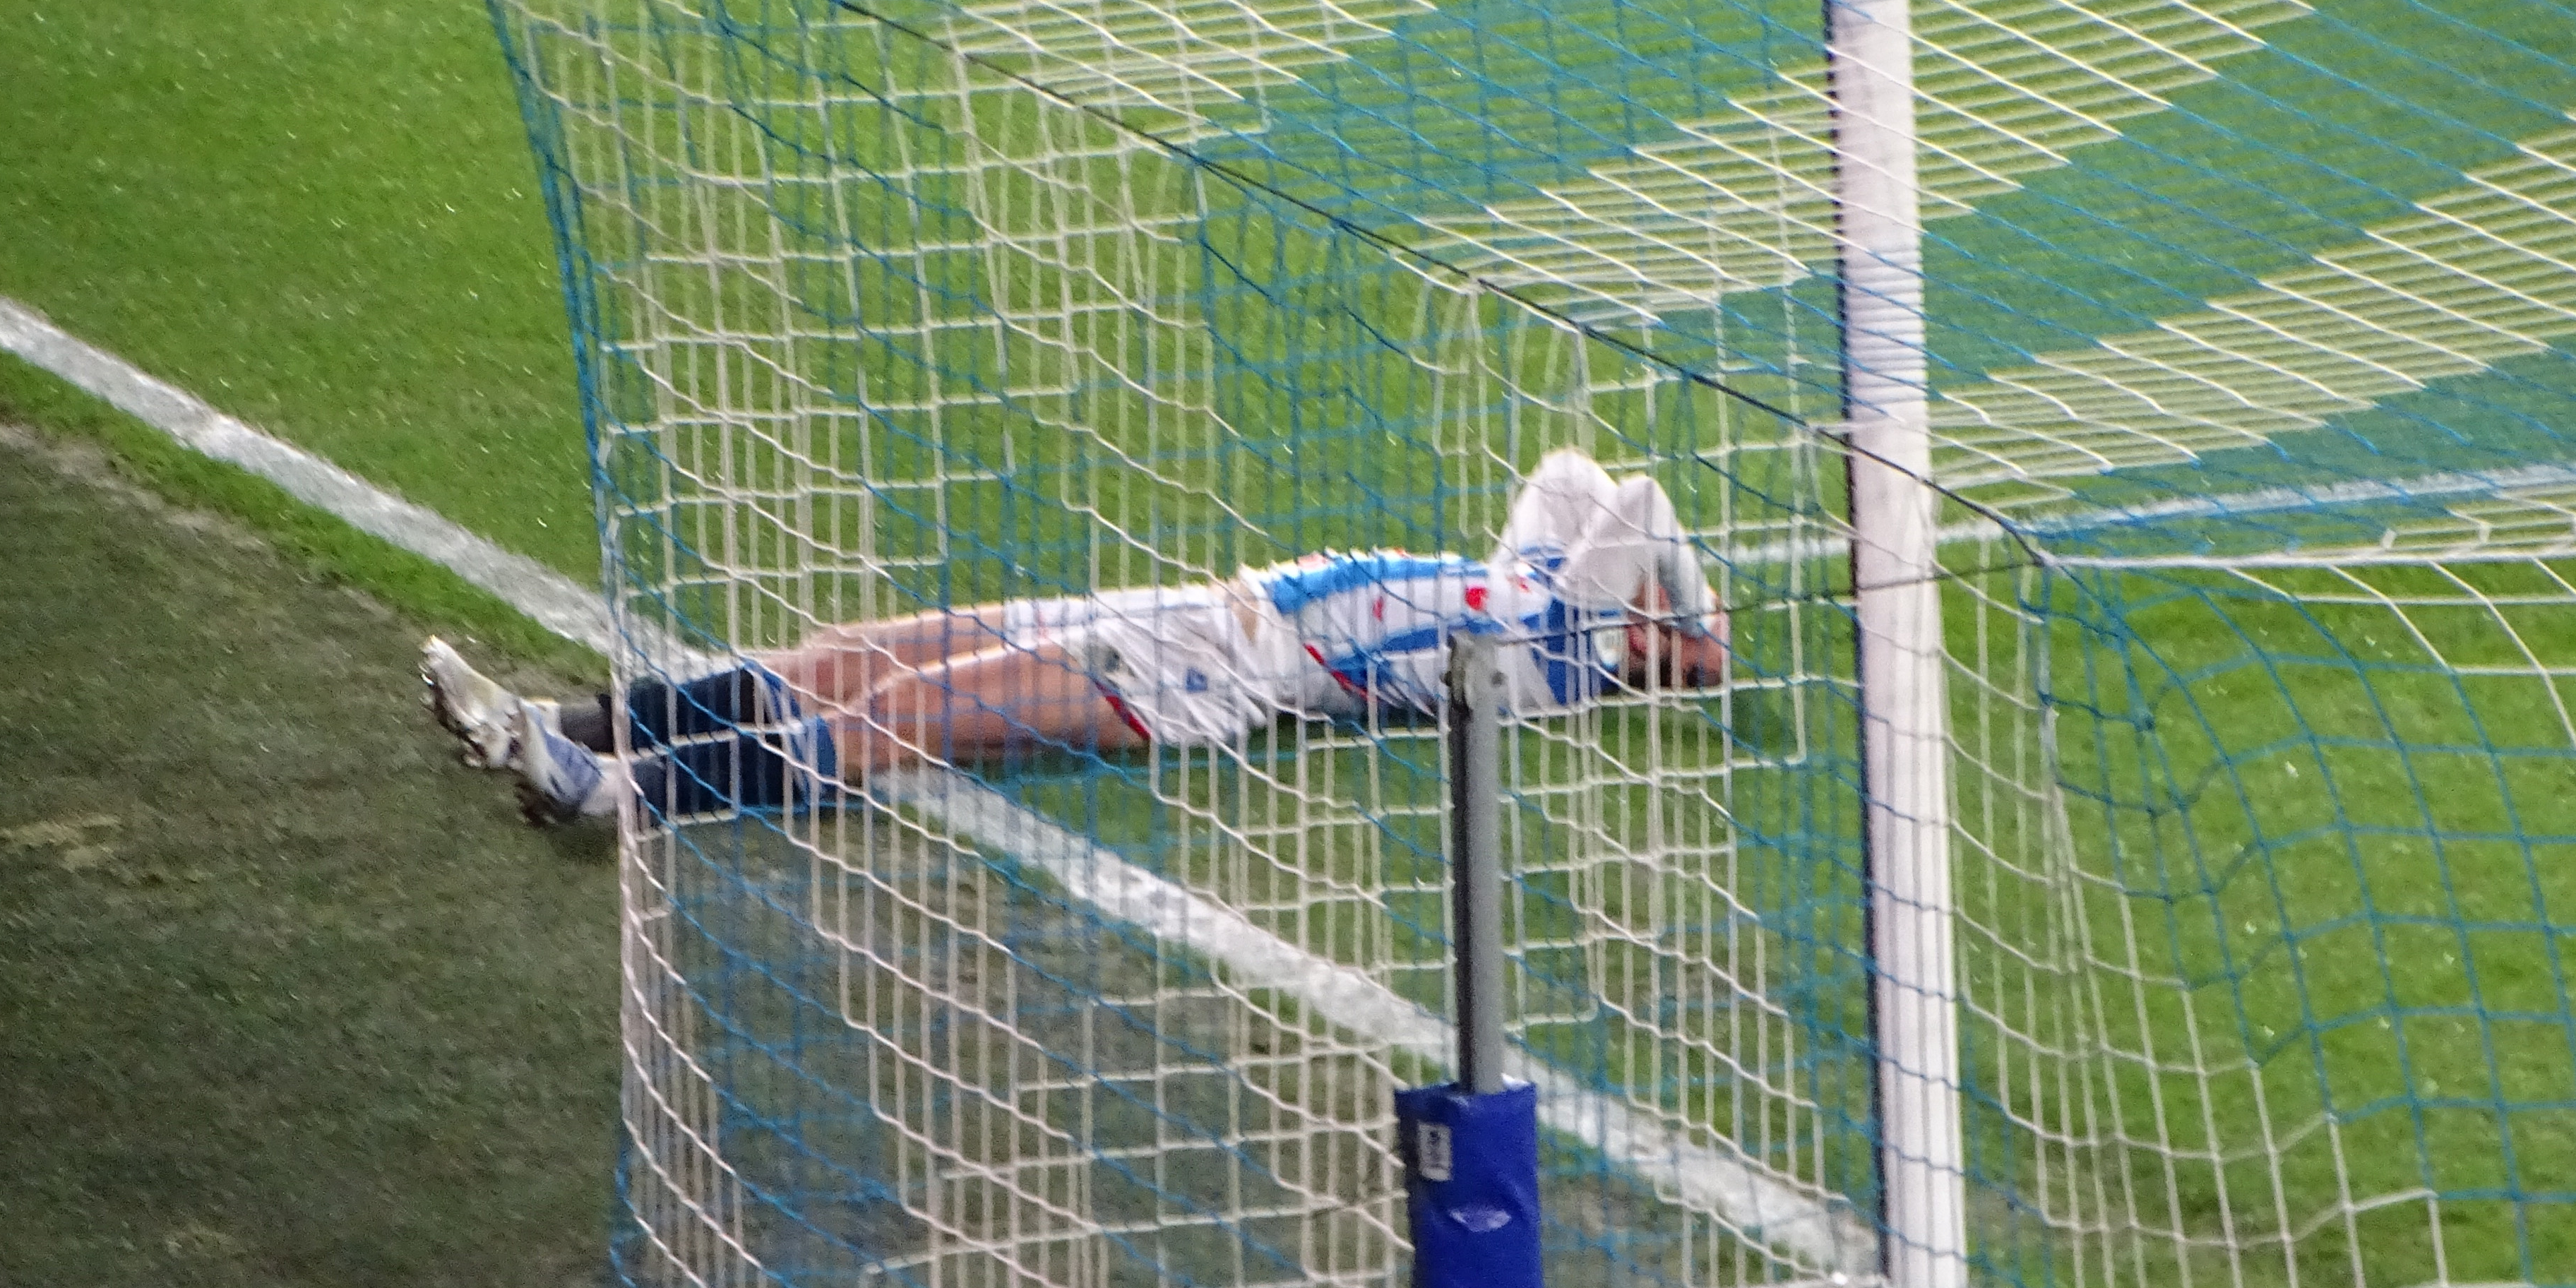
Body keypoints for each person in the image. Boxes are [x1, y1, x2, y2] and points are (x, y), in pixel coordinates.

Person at [421, 448, 1729, 825]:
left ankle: (616, 793)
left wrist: (1702, 628)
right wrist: (1674, 608)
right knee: (852, 648)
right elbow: (1572, 472)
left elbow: (1643, 497)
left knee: (903, 718)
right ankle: (562, 725)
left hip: (1210, 672)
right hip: (1183, 609)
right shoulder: (1547, 594)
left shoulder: (1557, 659)